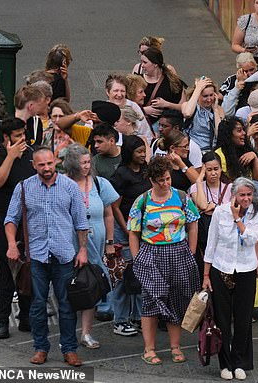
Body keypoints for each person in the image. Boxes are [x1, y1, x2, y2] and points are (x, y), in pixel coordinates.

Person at [4, 147, 89, 367]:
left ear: (56, 162)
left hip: (64, 256)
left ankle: (69, 349)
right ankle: (40, 348)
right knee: (37, 304)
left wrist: (82, 250)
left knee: (67, 305)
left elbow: (81, 223)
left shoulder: (70, 187)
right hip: (36, 257)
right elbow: (10, 219)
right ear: (34, 165)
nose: (47, 168)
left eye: (50, 163)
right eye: (41, 164)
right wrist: (12, 245)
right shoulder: (24, 187)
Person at [127, 156, 200, 365]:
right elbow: (133, 232)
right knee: (151, 299)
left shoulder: (182, 197)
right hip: (151, 253)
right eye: (161, 180)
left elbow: (193, 225)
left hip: (178, 252)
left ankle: (175, 346)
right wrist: (137, 258)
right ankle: (149, 349)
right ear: (151, 180)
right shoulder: (142, 201)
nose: (166, 183)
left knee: (176, 299)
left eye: (168, 178)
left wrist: (191, 252)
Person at [202, 177, 258, 380]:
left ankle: (239, 361)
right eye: (242, 195)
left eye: (249, 195)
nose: (246, 198)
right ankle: (225, 363)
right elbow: (211, 243)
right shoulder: (220, 212)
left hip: (246, 269)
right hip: (221, 268)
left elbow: (251, 239)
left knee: (243, 318)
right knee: (222, 318)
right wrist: (205, 274)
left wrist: (238, 219)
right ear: (233, 195)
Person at [62, 144, 119, 349]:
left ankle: (88, 330)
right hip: (69, 240)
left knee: (92, 281)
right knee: (69, 283)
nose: (87, 166)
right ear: (72, 164)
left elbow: (108, 214)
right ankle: (67, 332)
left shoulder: (98, 183)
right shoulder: (63, 183)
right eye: (83, 163)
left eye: (88, 162)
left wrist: (110, 243)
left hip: (96, 239)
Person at [0, 118, 35, 339]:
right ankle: (2, 320)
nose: (22, 139)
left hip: (29, 222)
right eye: (17, 135)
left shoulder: (32, 153)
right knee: (6, 270)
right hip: (1, 221)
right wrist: (12, 156)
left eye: (23, 133)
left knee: (28, 269)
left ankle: (26, 316)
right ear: (6, 138)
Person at [109, 136, 151, 336]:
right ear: (129, 153)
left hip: (144, 229)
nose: (143, 155)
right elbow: (115, 206)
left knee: (142, 273)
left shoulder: (145, 171)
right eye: (139, 151)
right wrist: (125, 229)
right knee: (123, 275)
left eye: (144, 150)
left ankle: (139, 316)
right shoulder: (121, 174)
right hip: (125, 229)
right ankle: (120, 319)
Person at [190, 152, 233, 270]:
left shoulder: (230, 187)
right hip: (204, 236)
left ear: (221, 169)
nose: (213, 173)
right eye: (209, 170)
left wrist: (214, 206)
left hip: (224, 237)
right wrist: (199, 180)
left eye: (216, 169)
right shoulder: (196, 187)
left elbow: (231, 212)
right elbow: (203, 205)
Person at [140, 47, 186, 127]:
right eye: (141, 62)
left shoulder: (173, 82)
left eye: (145, 62)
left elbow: (184, 107)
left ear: (155, 64)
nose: (142, 65)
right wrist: (144, 110)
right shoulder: (137, 81)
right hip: (143, 126)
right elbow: (127, 106)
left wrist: (166, 104)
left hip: (167, 128)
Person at [105, 73, 153, 141]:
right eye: (116, 91)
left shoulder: (134, 107)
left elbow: (147, 135)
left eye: (122, 91)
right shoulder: (102, 108)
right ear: (107, 91)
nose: (119, 94)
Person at [214, 116, 258, 182]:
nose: (244, 133)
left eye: (243, 130)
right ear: (228, 134)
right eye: (239, 130)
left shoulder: (247, 150)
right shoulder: (218, 154)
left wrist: (254, 157)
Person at [182, 77, 225, 151]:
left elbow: (219, 135)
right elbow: (187, 113)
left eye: (211, 95)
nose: (209, 99)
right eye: (205, 96)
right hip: (193, 150)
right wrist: (198, 88)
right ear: (198, 95)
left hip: (211, 151)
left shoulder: (219, 109)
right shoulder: (188, 105)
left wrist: (215, 110)